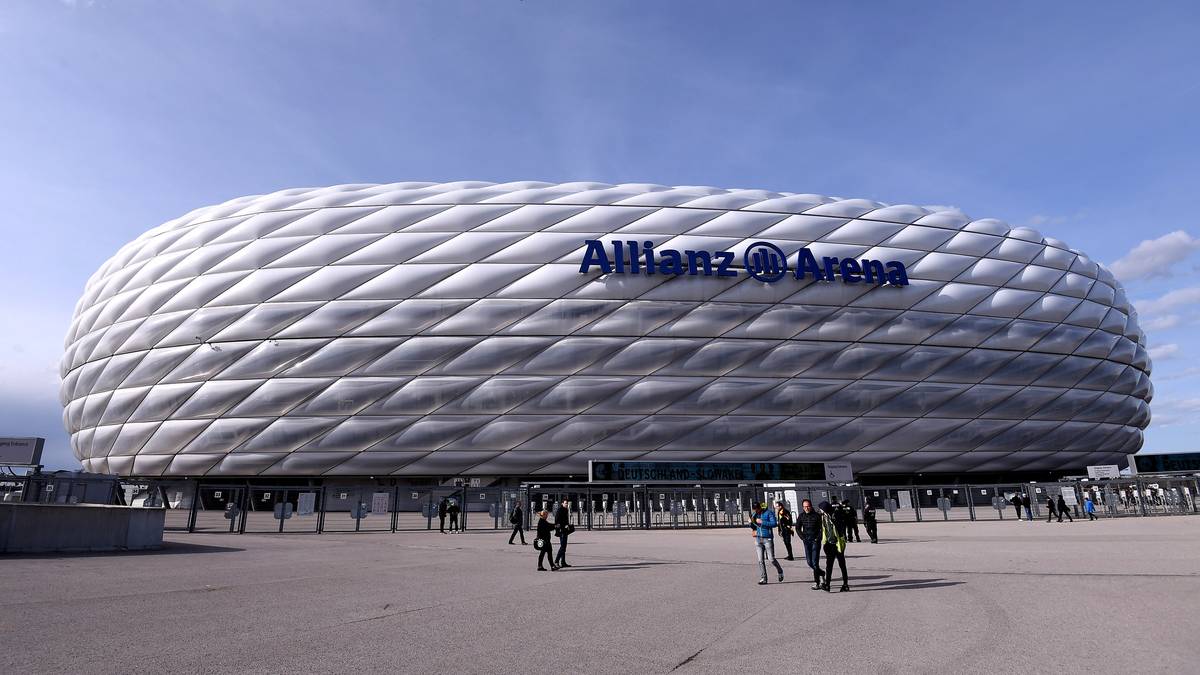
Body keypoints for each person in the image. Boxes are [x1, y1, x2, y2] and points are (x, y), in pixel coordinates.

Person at [750, 502, 784, 585]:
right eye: (754, 509)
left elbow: (774, 524)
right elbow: (754, 526)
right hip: (758, 538)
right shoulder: (754, 514)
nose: (756, 511)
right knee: (760, 560)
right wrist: (751, 523)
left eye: (757, 509)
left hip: (767, 538)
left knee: (771, 559)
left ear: (760, 508)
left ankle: (780, 571)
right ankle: (763, 578)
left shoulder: (768, 513)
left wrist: (762, 522)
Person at [818, 501, 848, 592]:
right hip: (829, 544)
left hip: (837, 543)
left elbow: (840, 527)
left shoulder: (834, 516)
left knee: (842, 564)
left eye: (821, 509)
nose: (820, 511)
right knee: (829, 565)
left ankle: (845, 584)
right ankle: (827, 584)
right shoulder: (823, 517)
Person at [796, 499, 824, 590]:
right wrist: (803, 538)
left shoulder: (817, 516)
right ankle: (822, 573)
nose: (806, 508)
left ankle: (817, 582)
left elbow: (821, 529)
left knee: (815, 563)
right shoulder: (801, 516)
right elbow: (797, 528)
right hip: (806, 541)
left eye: (808, 506)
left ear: (811, 506)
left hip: (815, 541)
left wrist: (818, 538)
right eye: (804, 507)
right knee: (809, 562)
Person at [554, 499, 572, 568]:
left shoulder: (566, 510)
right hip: (561, 531)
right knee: (563, 547)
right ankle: (556, 561)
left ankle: (563, 562)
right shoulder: (560, 510)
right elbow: (557, 520)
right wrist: (561, 528)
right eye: (565, 503)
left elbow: (565, 520)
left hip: (565, 530)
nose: (567, 504)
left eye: (567, 503)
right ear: (562, 503)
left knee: (564, 546)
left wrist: (567, 525)